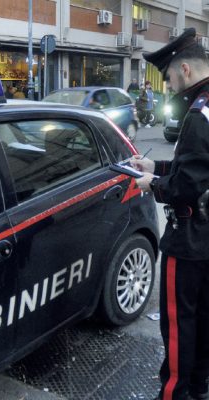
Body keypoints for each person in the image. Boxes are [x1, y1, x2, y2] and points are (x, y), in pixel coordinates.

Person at [131, 27, 209, 400]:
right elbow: (197, 167)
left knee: (179, 325)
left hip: (189, 237)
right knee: (205, 319)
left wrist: (152, 185)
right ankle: (199, 386)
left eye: (170, 78)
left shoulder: (197, 114)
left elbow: (187, 185)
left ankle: (174, 393)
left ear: (185, 70)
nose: (169, 86)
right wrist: (157, 167)